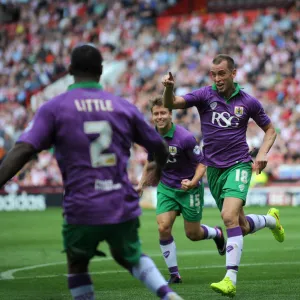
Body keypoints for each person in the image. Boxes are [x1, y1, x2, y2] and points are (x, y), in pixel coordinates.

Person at [0, 44, 183, 300]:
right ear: (101, 71)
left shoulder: (54, 108)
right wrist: (159, 169)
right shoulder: (122, 106)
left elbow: (23, 149)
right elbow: (159, 147)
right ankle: (167, 295)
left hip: (81, 204)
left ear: (70, 70)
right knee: (130, 255)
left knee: (77, 264)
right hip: (120, 201)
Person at [161, 54, 285, 297]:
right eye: (213, 74)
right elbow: (171, 104)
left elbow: (270, 130)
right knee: (240, 225)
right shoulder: (204, 96)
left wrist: (262, 153)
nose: (217, 78)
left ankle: (230, 279)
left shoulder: (248, 102)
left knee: (228, 217)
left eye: (221, 73)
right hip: (214, 169)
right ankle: (271, 220)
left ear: (233, 73)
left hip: (238, 165)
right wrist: (169, 89)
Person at [137, 97, 226, 284]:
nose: (159, 116)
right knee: (163, 227)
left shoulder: (184, 138)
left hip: (189, 189)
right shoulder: (151, 136)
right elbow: (151, 161)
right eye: (156, 113)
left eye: (163, 113)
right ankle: (174, 274)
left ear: (170, 114)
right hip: (167, 187)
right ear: (152, 116)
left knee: (193, 235)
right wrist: (141, 183)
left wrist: (193, 182)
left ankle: (216, 233)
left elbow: (202, 163)